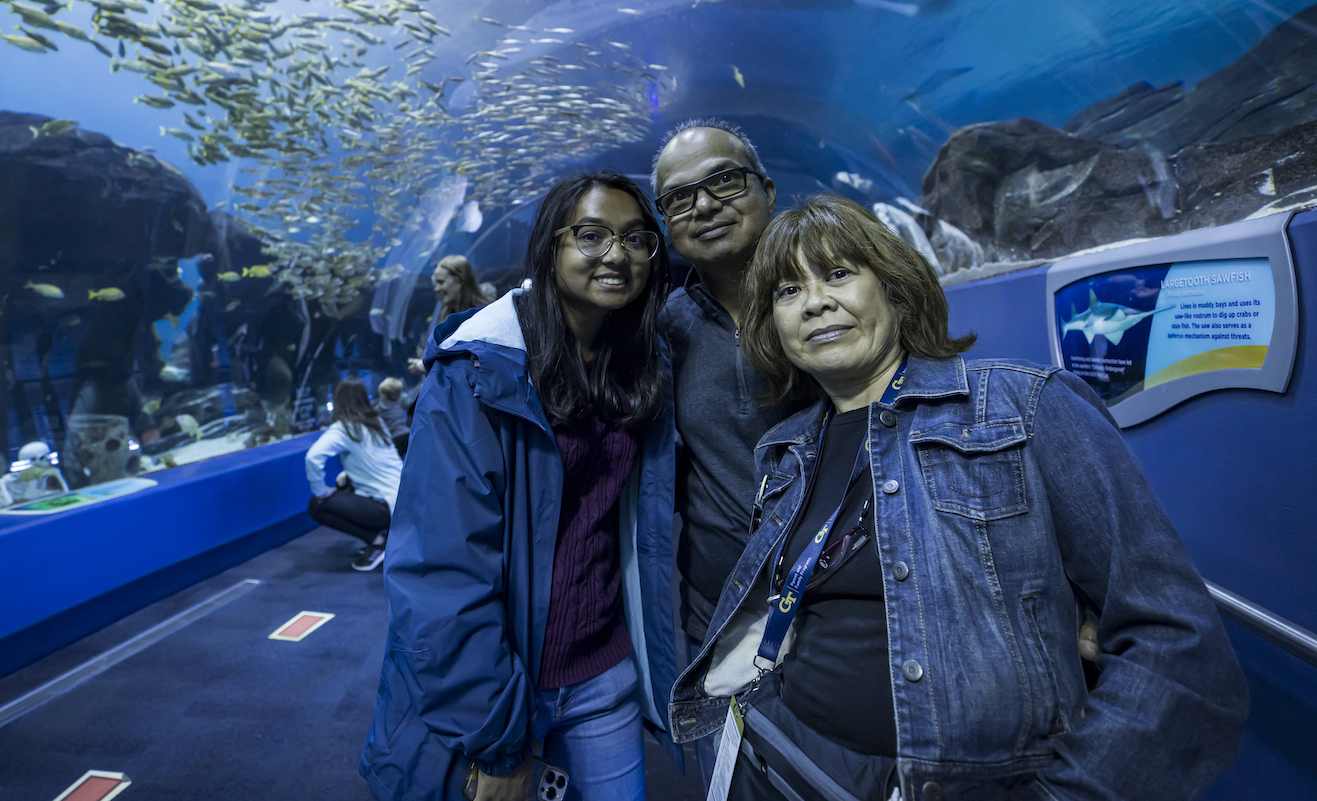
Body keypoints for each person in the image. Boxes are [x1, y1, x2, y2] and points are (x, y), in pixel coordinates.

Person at [669, 194, 1249, 801]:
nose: (814, 302)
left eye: (839, 274)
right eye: (788, 292)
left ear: (894, 288)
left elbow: (1177, 641)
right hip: (797, 760)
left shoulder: (1026, 407)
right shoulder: (785, 450)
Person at [361, 171, 682, 801]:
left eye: (636, 238)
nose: (615, 254)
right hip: (505, 685)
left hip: (603, 674)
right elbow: (437, 571)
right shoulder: (475, 375)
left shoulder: (642, 365)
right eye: (590, 235)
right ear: (549, 246)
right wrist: (496, 736)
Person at [651, 119, 794, 789]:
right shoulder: (664, 328)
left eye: (723, 181)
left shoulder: (835, 296)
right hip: (719, 616)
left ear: (766, 188)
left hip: (849, 607)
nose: (703, 205)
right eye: (680, 197)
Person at [305, 378, 404, 572]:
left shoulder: (344, 428)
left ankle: (377, 542)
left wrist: (321, 491)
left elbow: (313, 457)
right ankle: (386, 535)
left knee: (317, 505)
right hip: (404, 501)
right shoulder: (376, 423)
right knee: (343, 484)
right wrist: (348, 475)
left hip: (385, 505)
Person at [406, 255, 492, 376]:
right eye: (435, 283)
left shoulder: (483, 316)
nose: (436, 289)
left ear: (460, 280)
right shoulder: (446, 316)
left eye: (441, 282)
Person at [374, 376, 410, 456]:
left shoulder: (380, 407)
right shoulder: (401, 403)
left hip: (395, 438)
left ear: (383, 395)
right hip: (407, 434)